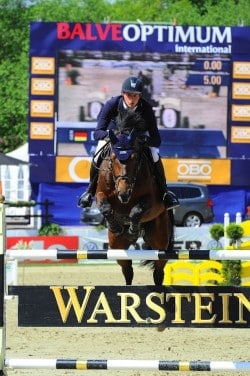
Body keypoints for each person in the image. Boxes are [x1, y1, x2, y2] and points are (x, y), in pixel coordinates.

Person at [78, 76, 179, 210]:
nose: (132, 99)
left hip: (137, 140)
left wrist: (142, 139)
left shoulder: (147, 108)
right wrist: (112, 136)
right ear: (122, 94)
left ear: (140, 96)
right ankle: (89, 191)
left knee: (154, 155)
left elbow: (156, 140)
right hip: (114, 139)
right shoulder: (112, 104)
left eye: (135, 96)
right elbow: (97, 133)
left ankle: (165, 193)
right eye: (129, 95)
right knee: (97, 154)